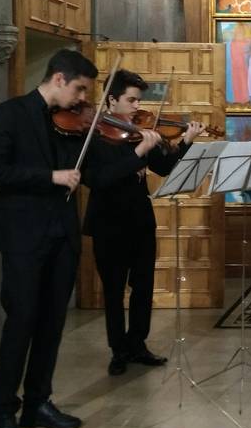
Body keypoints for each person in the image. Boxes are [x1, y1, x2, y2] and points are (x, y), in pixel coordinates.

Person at [0, 50, 160, 428]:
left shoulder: (78, 127)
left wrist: (135, 154)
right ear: (60, 79)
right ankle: (5, 413)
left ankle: (38, 402)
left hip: (62, 238)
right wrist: (49, 176)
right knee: (22, 321)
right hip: (23, 238)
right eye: (81, 89)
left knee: (51, 324)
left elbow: (97, 176)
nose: (84, 100)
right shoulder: (12, 113)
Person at [82, 69, 205, 377]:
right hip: (108, 224)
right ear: (111, 100)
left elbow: (163, 168)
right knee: (113, 290)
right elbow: (102, 178)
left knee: (143, 286)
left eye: (139, 100)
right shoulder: (94, 136)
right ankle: (118, 350)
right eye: (131, 100)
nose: (138, 107)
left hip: (139, 221)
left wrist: (186, 142)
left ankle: (137, 344)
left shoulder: (138, 132)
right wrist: (139, 152)